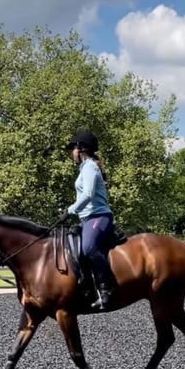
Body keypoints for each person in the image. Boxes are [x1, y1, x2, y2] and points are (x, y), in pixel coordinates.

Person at [60, 129, 117, 310]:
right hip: (87, 218)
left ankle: (107, 289)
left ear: (81, 149)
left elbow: (89, 195)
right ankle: (86, 289)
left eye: (73, 149)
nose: (72, 153)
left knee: (88, 247)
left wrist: (70, 210)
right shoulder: (84, 168)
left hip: (99, 216)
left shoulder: (90, 167)